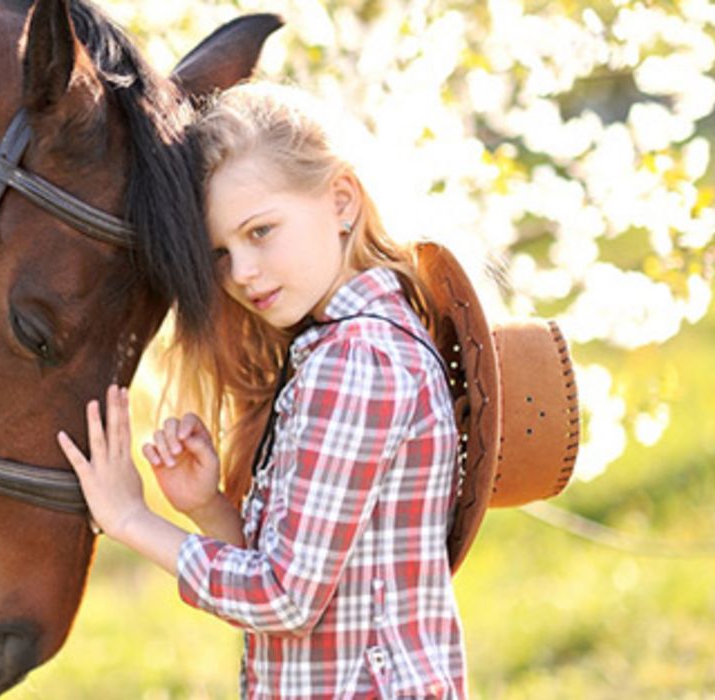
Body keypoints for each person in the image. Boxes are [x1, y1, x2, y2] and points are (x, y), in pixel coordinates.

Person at [56, 82, 467, 698]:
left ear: (342, 201)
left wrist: (130, 519)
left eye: (261, 232)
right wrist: (209, 508)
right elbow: (309, 580)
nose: (241, 274)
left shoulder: (358, 360)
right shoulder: (342, 348)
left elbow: (285, 601)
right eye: (220, 253)